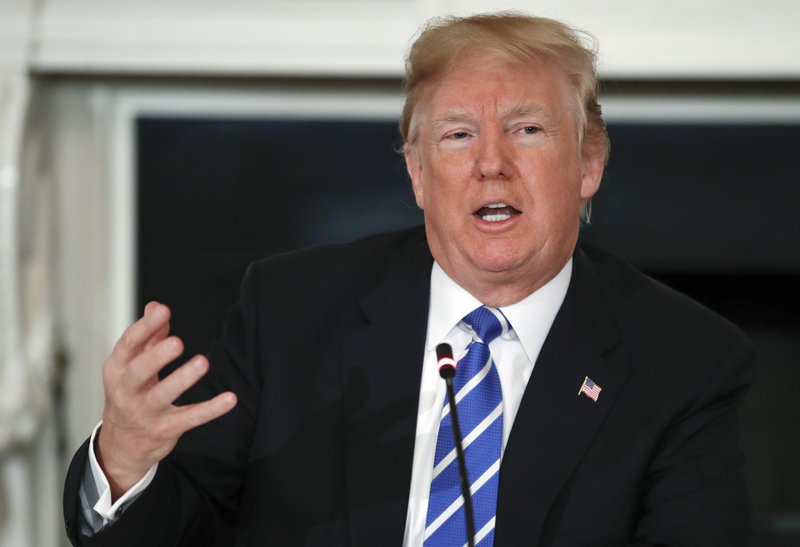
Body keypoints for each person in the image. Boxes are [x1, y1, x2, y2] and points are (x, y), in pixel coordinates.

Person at [63, 12, 754, 546]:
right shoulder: (292, 310)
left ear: (589, 163)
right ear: (417, 173)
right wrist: (123, 461)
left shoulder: (686, 361)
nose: (491, 164)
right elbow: (181, 527)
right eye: (457, 135)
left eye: (527, 130)